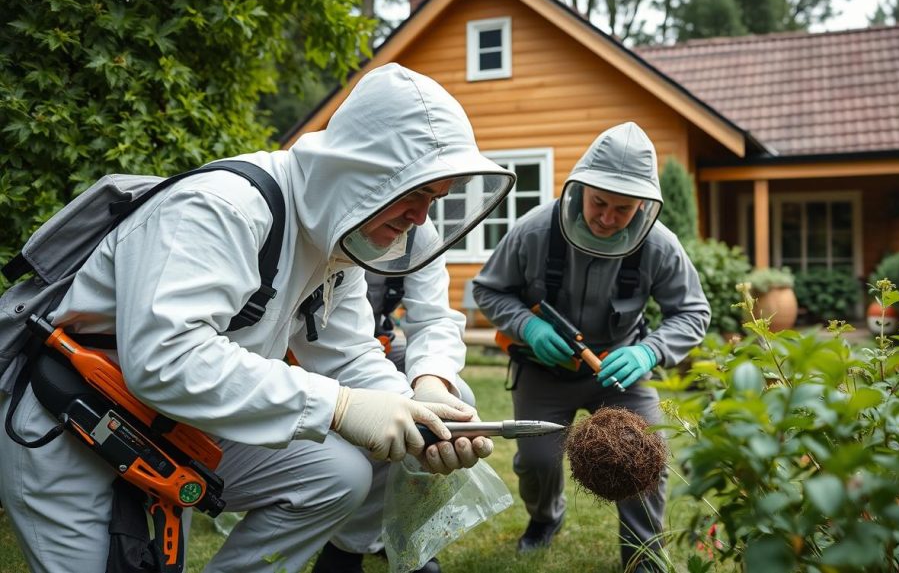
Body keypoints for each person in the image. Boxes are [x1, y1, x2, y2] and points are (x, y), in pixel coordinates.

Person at [0, 62, 515, 573]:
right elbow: (165, 360)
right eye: (416, 192)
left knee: (335, 473)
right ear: (365, 169)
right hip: (73, 421)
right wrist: (338, 407)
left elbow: (350, 354)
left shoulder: (337, 239)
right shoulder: (220, 207)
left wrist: (416, 410)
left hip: (179, 422)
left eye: (436, 198)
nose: (422, 218)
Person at [472, 122, 710, 573]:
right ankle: (546, 519)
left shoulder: (660, 245)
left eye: (623, 209)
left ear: (643, 205)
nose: (606, 217)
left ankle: (642, 556)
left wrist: (650, 352)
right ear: (580, 187)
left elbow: (693, 312)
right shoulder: (534, 230)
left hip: (621, 372)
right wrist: (528, 327)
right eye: (599, 202)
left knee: (645, 458)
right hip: (544, 370)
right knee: (537, 461)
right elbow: (488, 291)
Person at [312, 260, 476, 573]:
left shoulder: (418, 231)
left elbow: (433, 318)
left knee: (454, 404)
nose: (415, 217)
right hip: (301, 354)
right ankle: (344, 551)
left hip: (375, 345)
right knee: (382, 435)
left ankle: (405, 536)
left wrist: (432, 383)